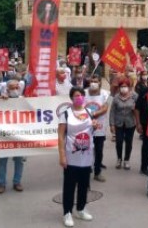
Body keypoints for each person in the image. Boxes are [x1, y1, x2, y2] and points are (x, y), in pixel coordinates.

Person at [59, 87, 96, 227]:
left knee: (83, 184)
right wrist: (62, 155)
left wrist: (96, 126)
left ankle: (81, 208)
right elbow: (61, 136)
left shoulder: (89, 112)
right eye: (76, 95)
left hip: (86, 156)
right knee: (69, 186)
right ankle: (67, 213)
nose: (79, 97)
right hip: (71, 155)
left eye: (81, 95)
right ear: (71, 98)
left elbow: (91, 129)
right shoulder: (66, 114)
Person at [0, 80, 26, 193]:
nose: (15, 90)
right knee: (2, 161)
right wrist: (0, 99)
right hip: (4, 136)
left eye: (17, 87)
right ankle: (1, 184)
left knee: (19, 160)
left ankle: (17, 182)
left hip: (19, 136)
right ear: (7, 89)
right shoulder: (2, 99)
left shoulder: (23, 99)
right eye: (12, 88)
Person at [109, 77, 140, 170]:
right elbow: (112, 111)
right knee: (119, 141)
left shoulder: (134, 96)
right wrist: (112, 124)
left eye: (125, 86)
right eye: (121, 86)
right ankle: (119, 159)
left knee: (129, 142)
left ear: (129, 87)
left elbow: (138, 109)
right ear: (119, 88)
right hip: (118, 123)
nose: (123, 88)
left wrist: (138, 119)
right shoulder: (116, 97)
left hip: (130, 123)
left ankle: (127, 160)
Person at [85, 75, 110, 182]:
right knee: (86, 150)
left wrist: (94, 113)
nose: (93, 83)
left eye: (96, 81)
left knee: (99, 150)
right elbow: (80, 107)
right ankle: (86, 169)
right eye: (92, 81)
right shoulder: (84, 93)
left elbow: (105, 107)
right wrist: (88, 115)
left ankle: (97, 172)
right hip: (86, 127)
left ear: (100, 82)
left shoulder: (104, 94)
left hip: (100, 127)